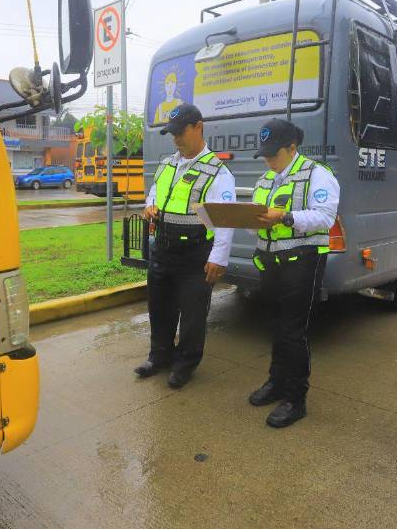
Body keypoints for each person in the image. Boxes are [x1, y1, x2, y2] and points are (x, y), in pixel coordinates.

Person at [134, 104, 236, 388]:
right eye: (173, 133)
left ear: (198, 127)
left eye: (181, 132)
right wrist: (150, 205)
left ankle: (185, 363)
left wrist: (219, 258)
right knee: (160, 308)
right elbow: (155, 191)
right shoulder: (168, 164)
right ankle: (159, 356)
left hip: (195, 255)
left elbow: (224, 220)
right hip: (164, 250)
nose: (176, 138)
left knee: (192, 315)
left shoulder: (217, 172)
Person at [247, 118, 339, 428]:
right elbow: (257, 218)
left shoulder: (318, 175)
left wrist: (284, 217)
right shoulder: (265, 179)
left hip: (302, 262)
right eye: (265, 154)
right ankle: (276, 382)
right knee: (275, 325)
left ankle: (295, 399)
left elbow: (325, 218)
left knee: (293, 331)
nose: (269, 160)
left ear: (292, 148)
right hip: (270, 262)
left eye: (274, 153)